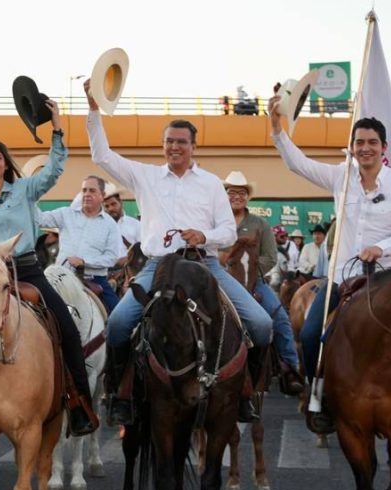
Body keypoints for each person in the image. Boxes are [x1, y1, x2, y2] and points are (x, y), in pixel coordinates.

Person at [84, 79, 273, 425]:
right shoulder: (145, 176)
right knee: (117, 324)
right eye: (169, 141)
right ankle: (119, 394)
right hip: (158, 267)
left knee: (261, 324)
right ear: (163, 145)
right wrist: (94, 111)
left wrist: (204, 235)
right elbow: (101, 155)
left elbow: (228, 232)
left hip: (205, 267)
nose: (174, 147)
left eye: (181, 142)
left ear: (193, 146)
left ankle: (247, 393)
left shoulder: (212, 184)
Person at [267, 94, 391, 434]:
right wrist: (277, 129)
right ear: (351, 147)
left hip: (390, 279)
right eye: (359, 142)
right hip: (344, 278)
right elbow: (297, 163)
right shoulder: (341, 178)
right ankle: (318, 393)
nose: (365, 148)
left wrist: (381, 248)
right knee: (309, 335)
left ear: (383, 148)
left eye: (372, 142)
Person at [0, 98, 100, 438]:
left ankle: (79, 402)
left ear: (5, 164)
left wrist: (56, 127)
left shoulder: (25, 189)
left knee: (66, 327)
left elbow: (55, 169)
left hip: (25, 270)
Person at [222, 171, 304, 387]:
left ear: (248, 196)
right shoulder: (218, 222)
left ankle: (289, 367)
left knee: (280, 318)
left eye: (242, 192)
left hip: (253, 280)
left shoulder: (261, 224)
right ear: (225, 194)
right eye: (232, 192)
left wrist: (250, 273)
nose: (237, 196)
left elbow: (270, 257)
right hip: (222, 281)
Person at [38, 175, 123, 312]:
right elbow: (40, 219)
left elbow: (111, 258)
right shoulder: (66, 214)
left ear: (102, 195)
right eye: (84, 190)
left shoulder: (110, 224)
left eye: (92, 191)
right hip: (61, 277)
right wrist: (29, 198)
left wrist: (84, 262)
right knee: (37, 309)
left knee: (118, 317)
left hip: (95, 280)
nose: (87, 194)